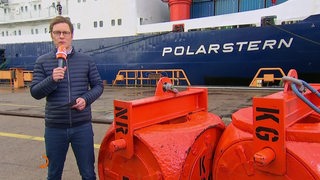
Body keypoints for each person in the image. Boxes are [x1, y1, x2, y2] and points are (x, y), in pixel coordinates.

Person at [30, 16, 104, 180]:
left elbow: (98, 85)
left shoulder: (86, 60)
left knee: (88, 173)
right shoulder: (42, 62)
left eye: (65, 32)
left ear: (72, 35)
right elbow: (35, 92)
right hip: (54, 129)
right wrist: (52, 79)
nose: (61, 36)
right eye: (57, 33)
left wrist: (86, 99)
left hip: (82, 127)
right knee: (54, 173)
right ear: (52, 35)